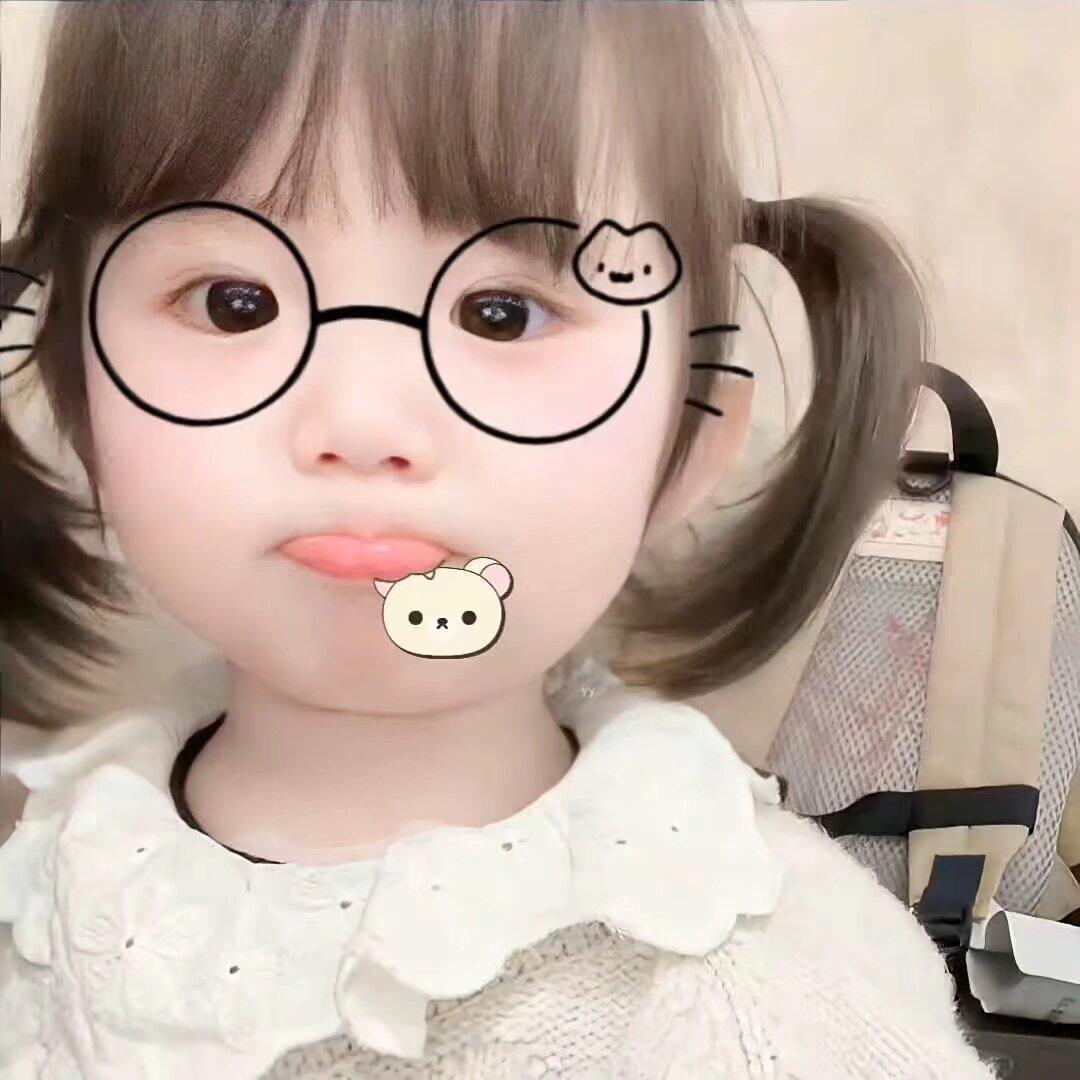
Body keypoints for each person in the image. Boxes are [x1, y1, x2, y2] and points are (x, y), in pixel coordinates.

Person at [0, 2, 999, 1076]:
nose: (363, 425)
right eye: (235, 304)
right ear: (78, 399)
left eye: (500, 314)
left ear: (692, 438)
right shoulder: (52, 866)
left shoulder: (784, 1008)